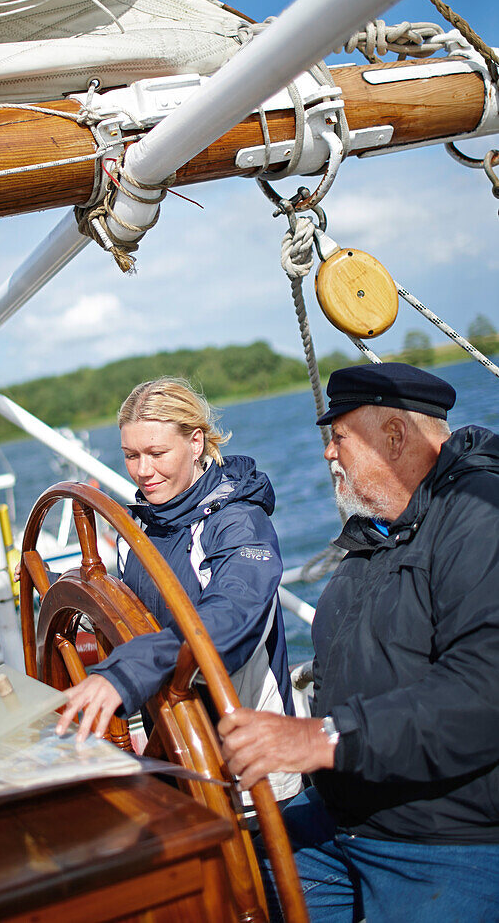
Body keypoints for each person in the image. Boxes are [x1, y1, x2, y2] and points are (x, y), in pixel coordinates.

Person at [218, 362, 499, 921]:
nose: (328, 453)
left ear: (394, 436)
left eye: (339, 436)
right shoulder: (378, 532)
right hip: (342, 820)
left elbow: (484, 688)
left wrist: (322, 738)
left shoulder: (480, 516)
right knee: (219, 878)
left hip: (446, 837)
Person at [55, 377, 301, 803]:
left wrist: (128, 672)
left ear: (196, 443)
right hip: (176, 760)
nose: (143, 471)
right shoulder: (142, 529)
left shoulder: (237, 523)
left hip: (249, 779)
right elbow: (130, 615)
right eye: (131, 455)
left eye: (156, 453)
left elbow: (230, 621)